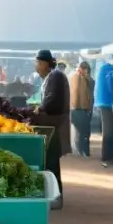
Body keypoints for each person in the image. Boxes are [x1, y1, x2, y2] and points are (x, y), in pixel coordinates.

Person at [33, 50, 69, 209]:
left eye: (39, 63)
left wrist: (39, 109)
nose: (37, 67)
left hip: (54, 125)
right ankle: (54, 196)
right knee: (50, 160)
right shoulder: (51, 77)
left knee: (52, 160)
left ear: (46, 64)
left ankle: (56, 197)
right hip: (53, 124)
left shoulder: (56, 76)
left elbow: (52, 102)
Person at [94, 54, 113, 167]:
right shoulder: (109, 69)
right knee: (109, 129)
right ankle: (107, 155)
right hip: (107, 102)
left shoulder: (105, 68)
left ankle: (110, 154)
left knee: (109, 128)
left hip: (104, 101)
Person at [69, 61, 94, 157]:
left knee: (80, 132)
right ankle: (83, 152)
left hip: (76, 108)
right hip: (81, 108)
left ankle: (81, 152)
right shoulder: (78, 78)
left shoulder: (81, 78)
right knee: (83, 132)